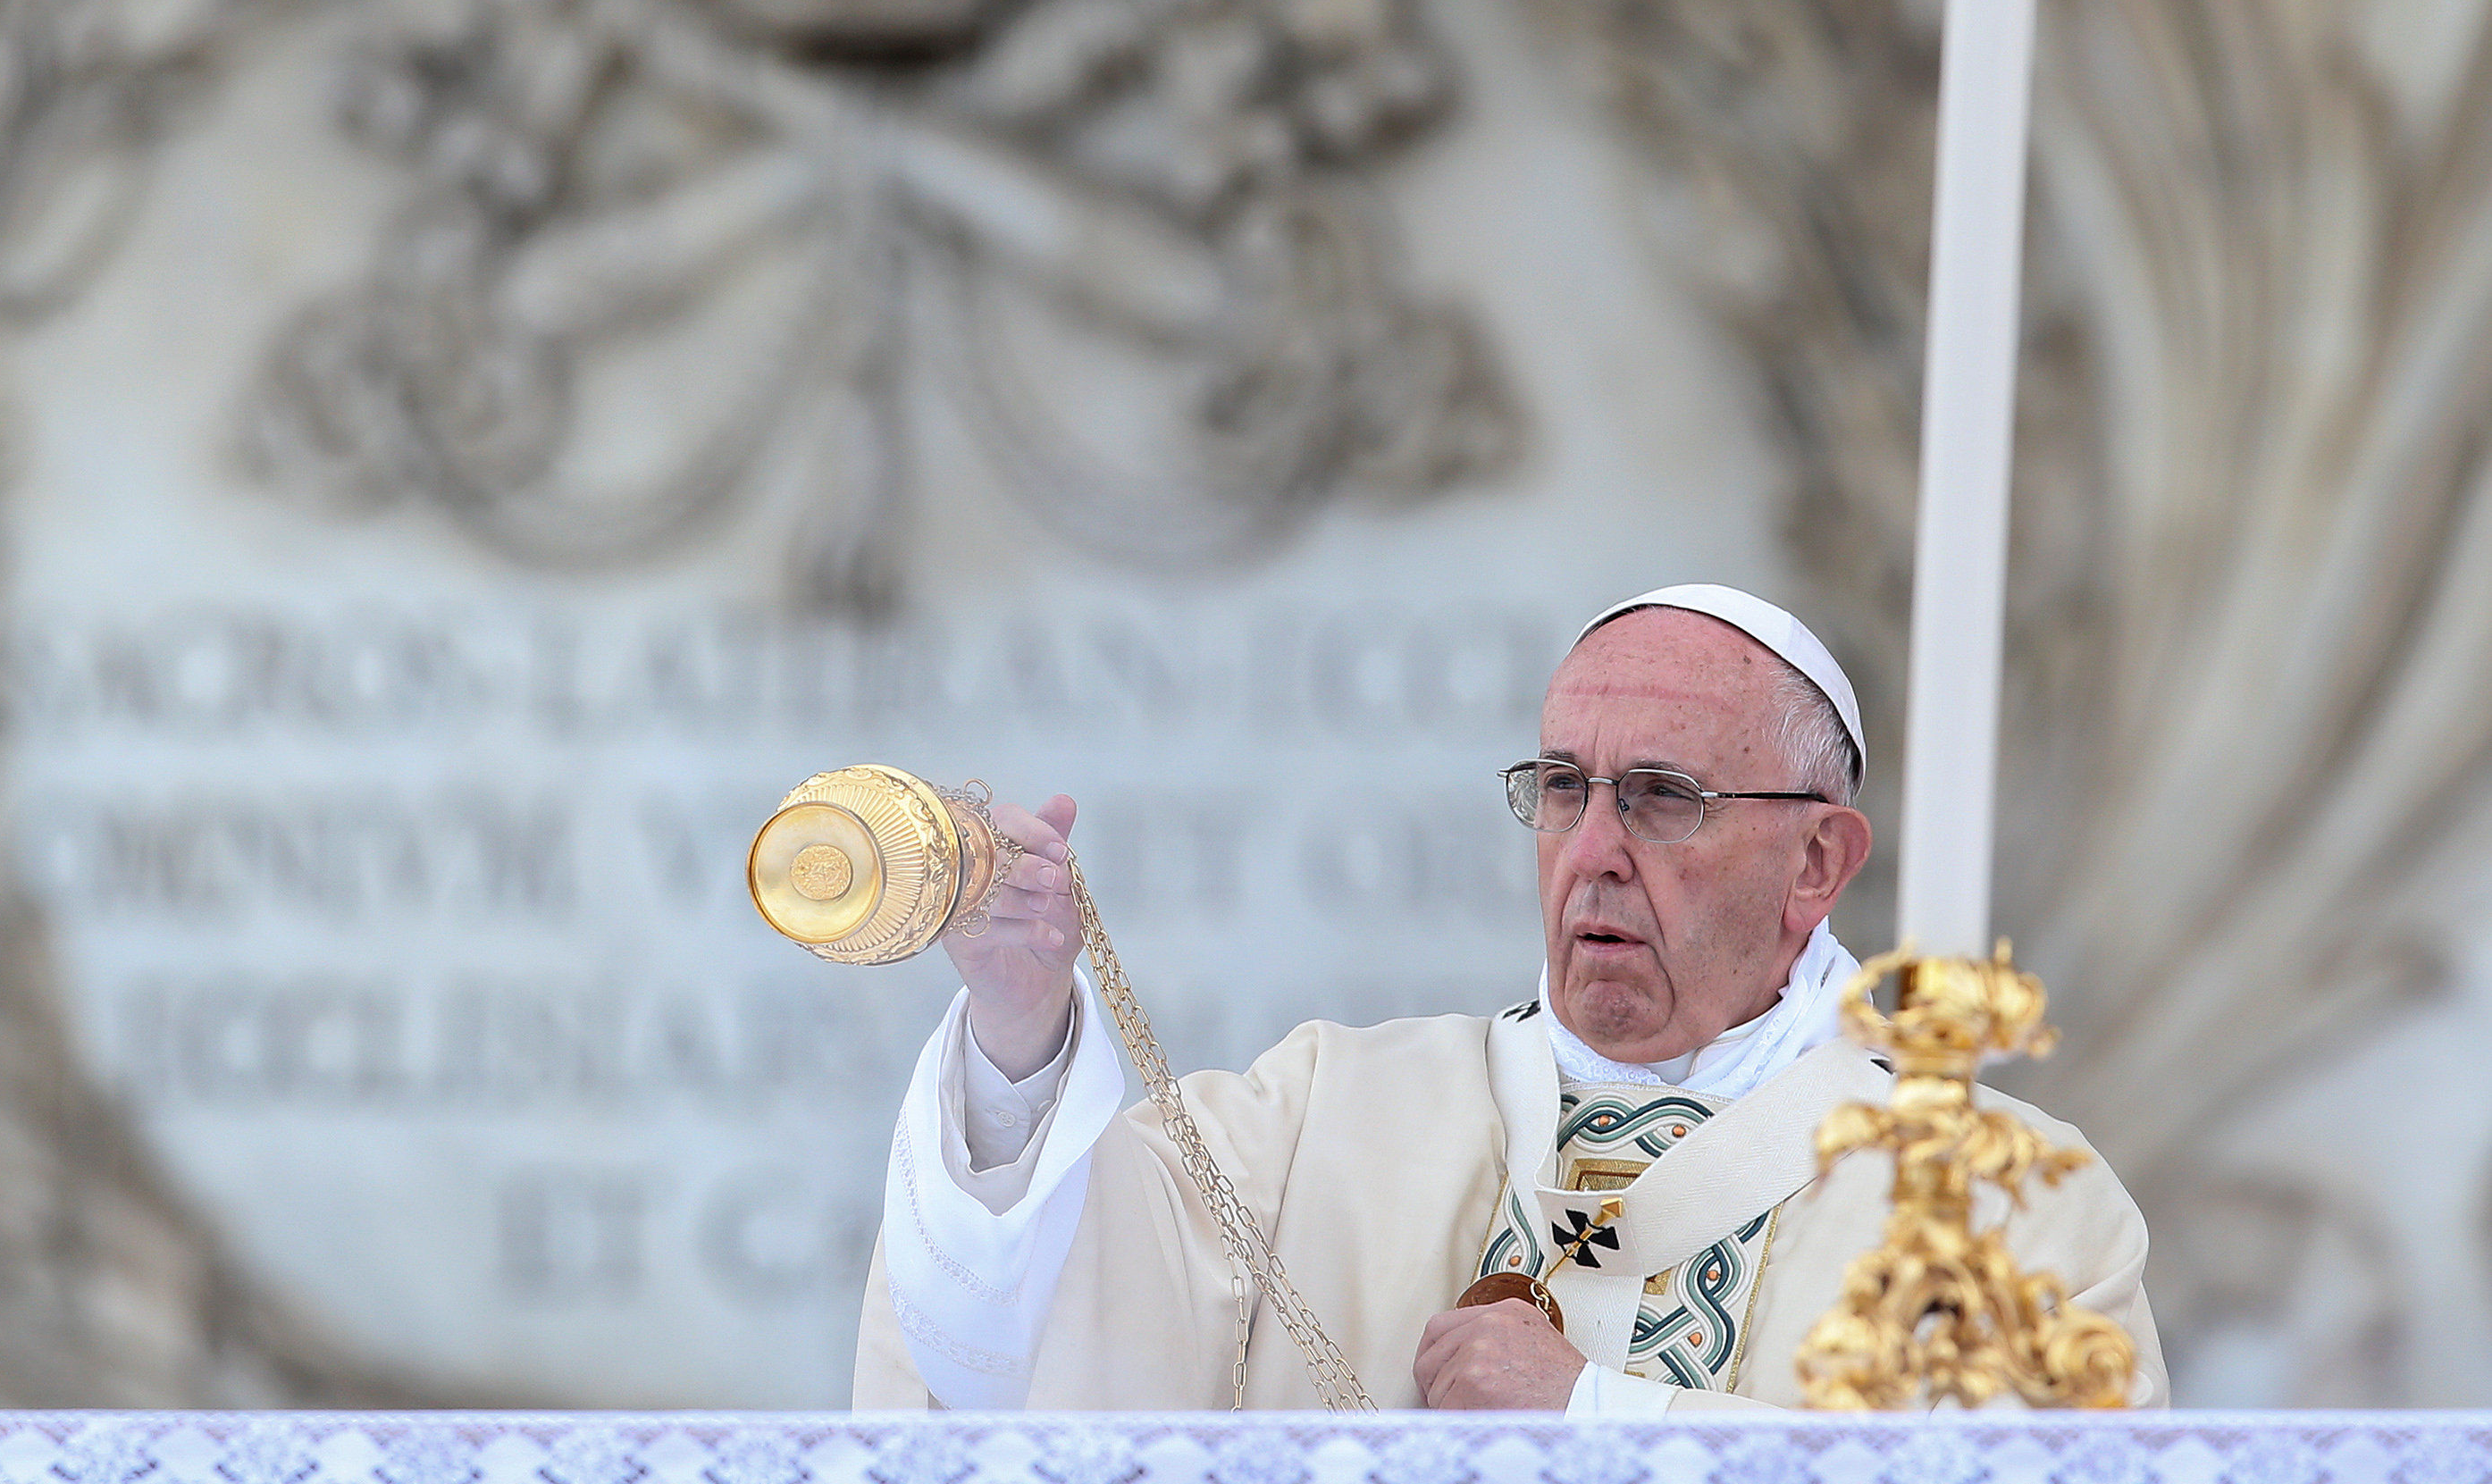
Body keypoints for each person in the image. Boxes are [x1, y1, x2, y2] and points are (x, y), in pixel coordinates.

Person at [853, 583, 2166, 1413]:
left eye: (1662, 797)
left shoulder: (2002, 1210)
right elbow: (1020, 1351)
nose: (1591, 847)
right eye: (1561, 789)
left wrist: (1599, 1423)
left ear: (1816, 862)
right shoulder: (1319, 1123)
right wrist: (1020, 1029)